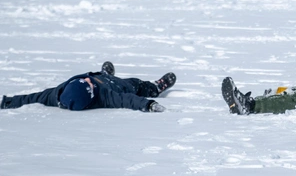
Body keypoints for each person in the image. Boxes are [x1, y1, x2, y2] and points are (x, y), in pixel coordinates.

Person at [0, 61, 176, 112]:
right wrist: (148, 104)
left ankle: (105, 74)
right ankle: (156, 87)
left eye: (85, 81)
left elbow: (31, 97)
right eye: (89, 86)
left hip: (101, 78)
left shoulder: (56, 94)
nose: (88, 81)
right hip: (120, 86)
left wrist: (6, 102)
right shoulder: (106, 97)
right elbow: (128, 100)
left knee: (100, 75)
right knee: (137, 84)